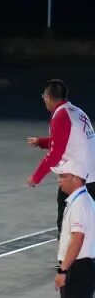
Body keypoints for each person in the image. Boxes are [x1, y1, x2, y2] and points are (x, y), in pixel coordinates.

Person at [26, 79, 95, 232]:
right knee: (88, 226)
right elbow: (67, 140)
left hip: (77, 179)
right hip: (91, 176)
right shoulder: (76, 111)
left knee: (67, 227)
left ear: (48, 97)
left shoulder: (61, 116)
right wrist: (41, 142)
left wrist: (36, 176)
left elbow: (56, 153)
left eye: (44, 96)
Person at [52, 162, 95, 298]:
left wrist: (63, 270)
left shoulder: (80, 204)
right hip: (84, 266)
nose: (59, 180)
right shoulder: (82, 201)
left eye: (63, 176)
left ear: (76, 178)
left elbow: (77, 238)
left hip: (78, 267)